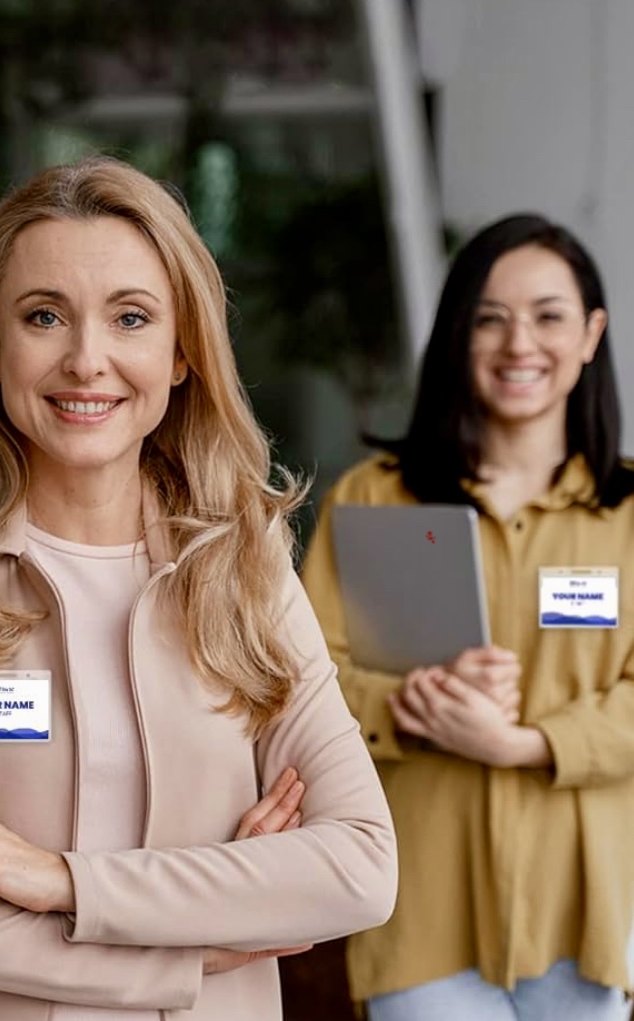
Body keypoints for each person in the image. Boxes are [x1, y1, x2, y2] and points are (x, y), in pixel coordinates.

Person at [0, 155, 397, 1021]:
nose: (87, 361)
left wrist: (58, 879)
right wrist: (195, 943)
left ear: (180, 354)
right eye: (44, 315)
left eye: (130, 318)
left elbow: (358, 864)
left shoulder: (247, 566)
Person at [302, 214, 634, 1021]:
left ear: (591, 334)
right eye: (490, 317)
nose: (520, 342)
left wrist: (526, 744)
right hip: (420, 911)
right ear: (458, 334)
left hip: (584, 910)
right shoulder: (374, 498)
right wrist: (416, 707)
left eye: (549, 315)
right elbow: (301, 680)